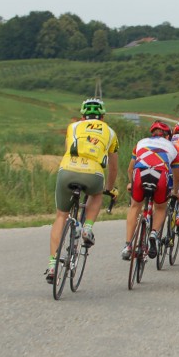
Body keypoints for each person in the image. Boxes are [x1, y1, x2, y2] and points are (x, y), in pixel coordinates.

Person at [45, 98, 119, 282]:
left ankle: (53, 265)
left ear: (82, 115)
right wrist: (108, 188)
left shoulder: (74, 127)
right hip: (93, 173)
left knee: (61, 215)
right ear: (102, 116)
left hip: (68, 170)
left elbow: (67, 149)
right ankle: (87, 228)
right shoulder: (110, 132)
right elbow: (114, 166)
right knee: (96, 194)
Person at [121, 121, 179, 260]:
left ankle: (128, 245)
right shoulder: (172, 148)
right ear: (167, 136)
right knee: (160, 208)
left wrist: (131, 182)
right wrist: (175, 192)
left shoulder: (141, 143)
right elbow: (176, 178)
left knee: (135, 206)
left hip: (140, 173)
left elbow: (130, 169)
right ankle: (153, 233)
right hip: (160, 174)